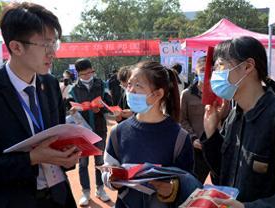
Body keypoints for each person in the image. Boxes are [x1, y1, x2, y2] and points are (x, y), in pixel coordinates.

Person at [0, 2, 79, 208]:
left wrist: (68, 157)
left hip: (58, 197)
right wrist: (31, 158)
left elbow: (59, 136)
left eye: (54, 44)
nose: (52, 53)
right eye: (45, 45)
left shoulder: (50, 84)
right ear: (16, 47)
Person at [201, 36, 275, 208]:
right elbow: (222, 175)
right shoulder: (234, 116)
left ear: (248, 66)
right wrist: (211, 133)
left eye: (220, 66)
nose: (215, 74)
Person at [102, 61, 201, 207]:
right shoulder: (118, 132)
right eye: (129, 84)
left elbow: (188, 183)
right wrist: (112, 180)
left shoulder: (179, 136)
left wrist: (171, 189)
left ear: (158, 94)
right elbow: (107, 169)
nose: (130, 90)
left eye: (138, 86)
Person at [69, 58, 112, 206]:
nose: (88, 76)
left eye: (90, 72)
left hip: (99, 129)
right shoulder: (73, 89)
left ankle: (100, 189)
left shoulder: (102, 84)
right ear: (78, 74)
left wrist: (101, 108)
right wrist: (73, 110)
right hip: (81, 132)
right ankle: (85, 192)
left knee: (100, 161)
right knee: (83, 163)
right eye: (84, 74)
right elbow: (67, 109)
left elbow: (110, 104)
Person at [180, 56, 210, 184]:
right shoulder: (187, 94)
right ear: (196, 71)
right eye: (202, 69)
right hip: (196, 148)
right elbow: (182, 120)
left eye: (209, 70)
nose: (206, 73)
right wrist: (193, 138)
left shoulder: (220, 93)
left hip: (216, 147)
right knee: (195, 184)